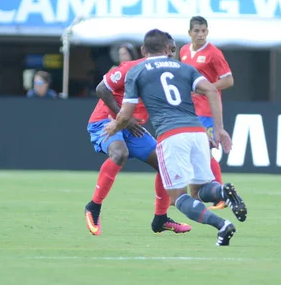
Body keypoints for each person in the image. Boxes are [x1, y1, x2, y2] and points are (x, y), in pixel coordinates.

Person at [103, 29, 247, 246]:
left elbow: (126, 113)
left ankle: (222, 225)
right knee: (200, 189)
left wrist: (115, 125)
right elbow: (210, 90)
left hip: (171, 136)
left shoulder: (137, 70)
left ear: (143, 50)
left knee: (178, 198)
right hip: (197, 132)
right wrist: (219, 129)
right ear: (168, 49)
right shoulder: (184, 67)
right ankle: (222, 190)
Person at [84, 34, 191, 236]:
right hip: (106, 121)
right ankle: (94, 207)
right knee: (119, 153)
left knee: (164, 163)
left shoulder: (168, 76)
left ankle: (160, 219)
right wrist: (122, 117)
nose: (170, 54)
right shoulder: (130, 68)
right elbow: (101, 89)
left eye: (173, 50)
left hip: (132, 127)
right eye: (167, 50)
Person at [179, 16, 234, 210]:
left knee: (205, 152)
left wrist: (206, 88)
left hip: (207, 110)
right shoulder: (184, 51)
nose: (200, 34)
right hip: (189, 110)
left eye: (204, 31)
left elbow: (228, 80)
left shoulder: (214, 53)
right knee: (194, 152)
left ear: (207, 32)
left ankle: (220, 195)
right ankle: (194, 193)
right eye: (197, 31)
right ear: (189, 33)